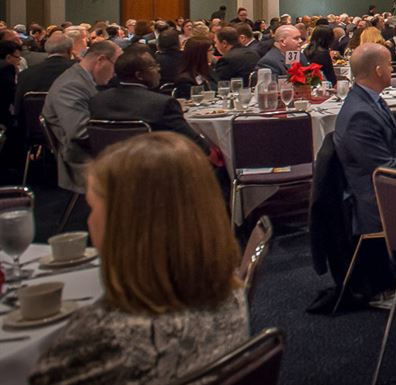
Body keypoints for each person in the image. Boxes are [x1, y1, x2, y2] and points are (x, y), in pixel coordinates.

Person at [29, 133, 248, 385]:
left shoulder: (101, 339)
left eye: (93, 208)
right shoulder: (231, 293)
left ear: (127, 224)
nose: (88, 222)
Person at [332, 44, 396, 296]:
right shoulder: (360, 114)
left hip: (378, 180)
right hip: (374, 197)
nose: (393, 69)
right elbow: (384, 170)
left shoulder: (367, 99)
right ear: (379, 70)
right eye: (391, 65)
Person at [89, 47, 207, 150]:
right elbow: (192, 141)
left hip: (107, 167)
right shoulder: (162, 104)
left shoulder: (97, 100)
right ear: (139, 75)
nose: (158, 70)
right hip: (153, 168)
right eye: (153, 66)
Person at [42, 41, 121, 191]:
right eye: (115, 66)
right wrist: (124, 140)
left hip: (92, 150)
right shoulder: (71, 86)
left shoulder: (80, 78)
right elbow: (80, 132)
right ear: (101, 60)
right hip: (81, 158)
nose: (115, 73)